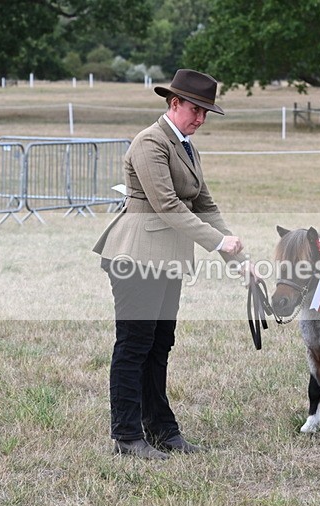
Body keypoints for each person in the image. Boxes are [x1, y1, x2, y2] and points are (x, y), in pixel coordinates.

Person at [93, 68, 248, 460]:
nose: (200, 118)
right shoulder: (150, 143)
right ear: (174, 103)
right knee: (134, 346)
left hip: (167, 259)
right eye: (195, 109)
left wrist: (239, 260)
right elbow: (166, 204)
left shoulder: (186, 146)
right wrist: (217, 242)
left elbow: (204, 203)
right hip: (137, 257)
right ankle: (127, 436)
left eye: (206, 112)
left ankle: (161, 430)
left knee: (159, 345)